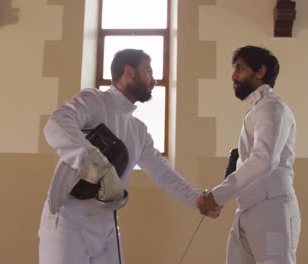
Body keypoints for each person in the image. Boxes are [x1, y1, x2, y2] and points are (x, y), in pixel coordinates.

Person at [38, 49, 218, 264]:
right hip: (68, 219)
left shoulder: (138, 130)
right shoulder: (94, 100)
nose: (154, 80)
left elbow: (162, 172)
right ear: (129, 72)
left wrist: (195, 198)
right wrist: (98, 167)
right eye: (148, 72)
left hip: (106, 225)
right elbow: (56, 124)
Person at [197, 45, 301, 264]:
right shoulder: (258, 109)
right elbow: (246, 159)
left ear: (260, 72)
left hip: (272, 212)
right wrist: (223, 197)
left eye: (240, 68)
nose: (234, 76)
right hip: (246, 210)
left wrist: (217, 196)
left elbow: (264, 160)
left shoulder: (272, 107)